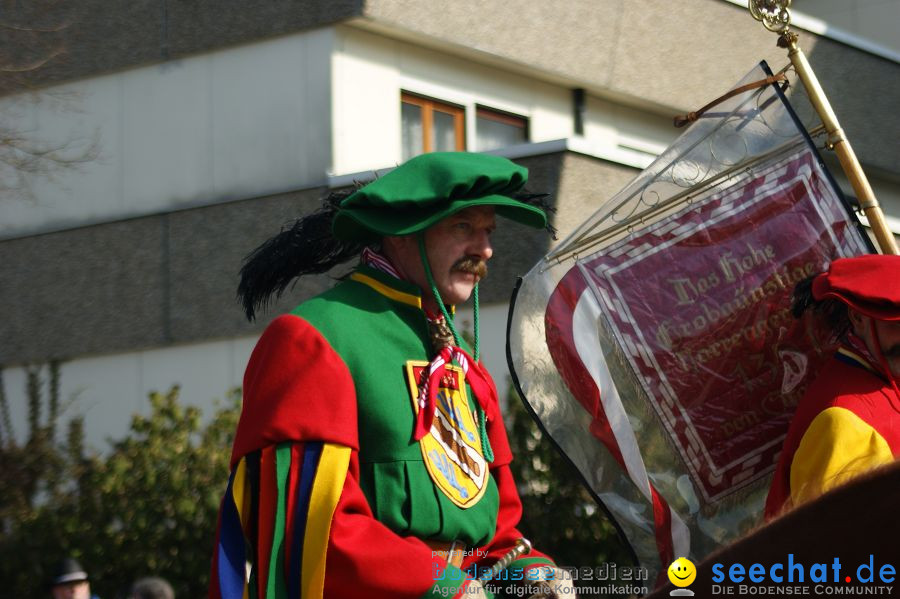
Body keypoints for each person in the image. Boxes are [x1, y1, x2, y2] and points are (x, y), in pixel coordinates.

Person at [209, 152, 574, 599]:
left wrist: (532, 575)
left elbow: (497, 535)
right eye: (463, 227)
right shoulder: (315, 339)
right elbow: (312, 535)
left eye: (489, 231)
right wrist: (443, 586)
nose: (485, 249)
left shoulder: (465, 364)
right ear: (401, 233)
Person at [765, 254, 900, 518]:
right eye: (897, 323)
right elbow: (836, 544)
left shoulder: (884, 378)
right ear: (858, 318)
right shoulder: (842, 420)